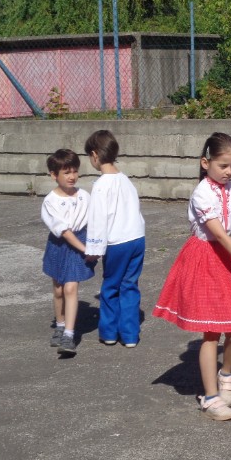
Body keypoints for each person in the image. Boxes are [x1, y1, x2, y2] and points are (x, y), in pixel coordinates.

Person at [153, 133, 231, 421]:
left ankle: (227, 375)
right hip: (205, 259)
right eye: (223, 165)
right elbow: (220, 235)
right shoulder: (202, 193)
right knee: (211, 332)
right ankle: (210, 398)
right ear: (205, 163)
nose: (229, 171)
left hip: (225, 260)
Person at [84, 130, 146, 348]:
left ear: (94, 155)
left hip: (117, 242)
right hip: (137, 238)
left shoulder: (101, 185)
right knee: (129, 285)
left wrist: (93, 251)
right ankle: (130, 335)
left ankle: (109, 332)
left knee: (110, 287)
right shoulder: (125, 180)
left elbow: (98, 220)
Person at [41, 149, 95, 356]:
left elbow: (94, 222)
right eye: (66, 172)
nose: (72, 176)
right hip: (59, 245)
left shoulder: (84, 196)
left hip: (79, 242)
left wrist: (94, 246)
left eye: (74, 171)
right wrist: (85, 248)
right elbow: (63, 231)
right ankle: (60, 324)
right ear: (54, 175)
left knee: (71, 288)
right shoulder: (50, 201)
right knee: (58, 289)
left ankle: (69, 336)